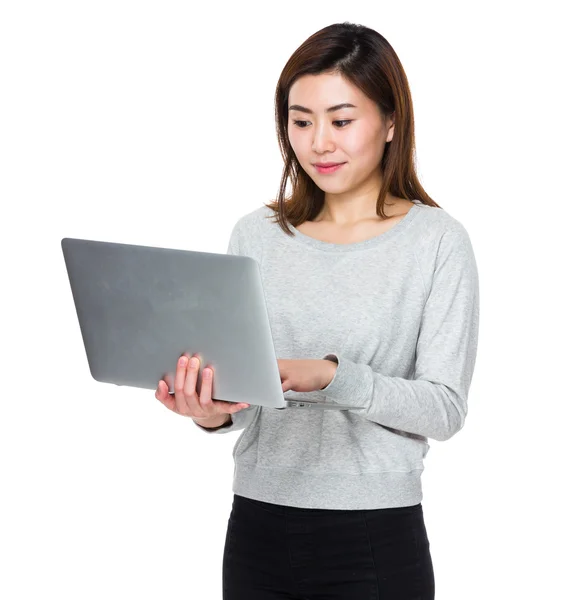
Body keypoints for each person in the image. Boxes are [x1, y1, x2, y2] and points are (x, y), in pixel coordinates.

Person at [155, 21, 479, 600]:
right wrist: (207, 409)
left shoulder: (435, 241)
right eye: (301, 121)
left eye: (341, 120)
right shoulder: (256, 235)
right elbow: (246, 403)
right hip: (256, 527)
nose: (319, 142)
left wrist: (331, 376)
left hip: (374, 538)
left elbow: (445, 409)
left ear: (390, 122)